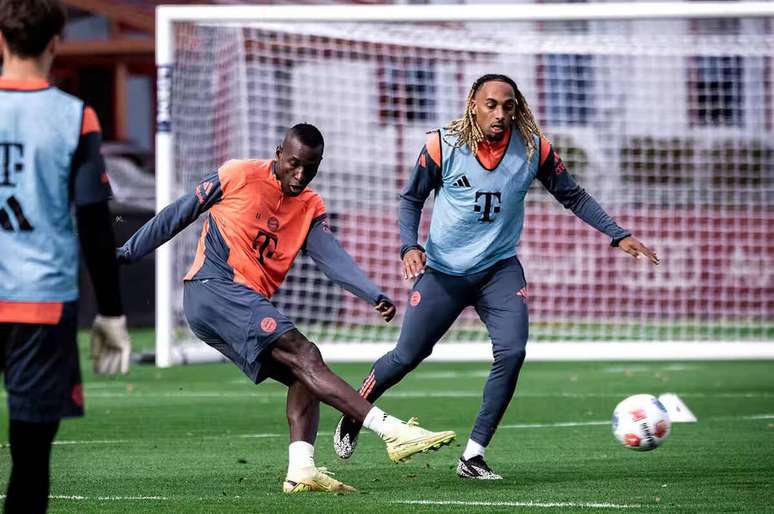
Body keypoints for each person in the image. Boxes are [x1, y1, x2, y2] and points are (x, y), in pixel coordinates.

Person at [333, 73, 660, 479]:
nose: (500, 114)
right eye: (491, 104)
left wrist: (618, 234)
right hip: (443, 272)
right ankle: (353, 412)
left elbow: (572, 194)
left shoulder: (533, 149)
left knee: (512, 352)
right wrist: (409, 246)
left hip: (499, 271)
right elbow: (411, 198)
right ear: (473, 103)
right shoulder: (442, 145)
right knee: (407, 356)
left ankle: (473, 456)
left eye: (509, 106)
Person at [117, 123, 455, 493]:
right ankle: (392, 431)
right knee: (305, 352)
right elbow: (178, 213)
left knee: (303, 374)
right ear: (279, 153)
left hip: (233, 303)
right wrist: (127, 252)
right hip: (214, 289)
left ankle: (301, 470)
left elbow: (331, 258)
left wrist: (371, 294)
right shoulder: (238, 174)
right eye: (293, 163)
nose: (300, 175)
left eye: (310, 167)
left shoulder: (309, 206)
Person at [0, 0, 132, 511]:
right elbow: (95, 224)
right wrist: (112, 311)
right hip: (41, 307)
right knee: (31, 463)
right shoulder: (74, 116)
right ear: (58, 41)